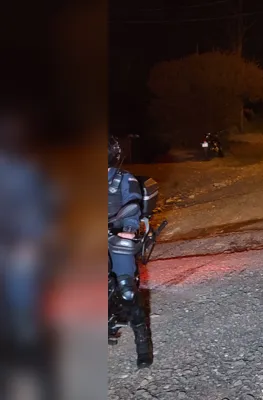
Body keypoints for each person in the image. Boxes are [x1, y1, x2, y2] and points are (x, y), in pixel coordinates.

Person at [108, 136, 153, 368]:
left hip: (114, 234)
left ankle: (142, 343)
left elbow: (133, 204)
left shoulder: (124, 179)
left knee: (126, 290)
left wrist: (128, 229)